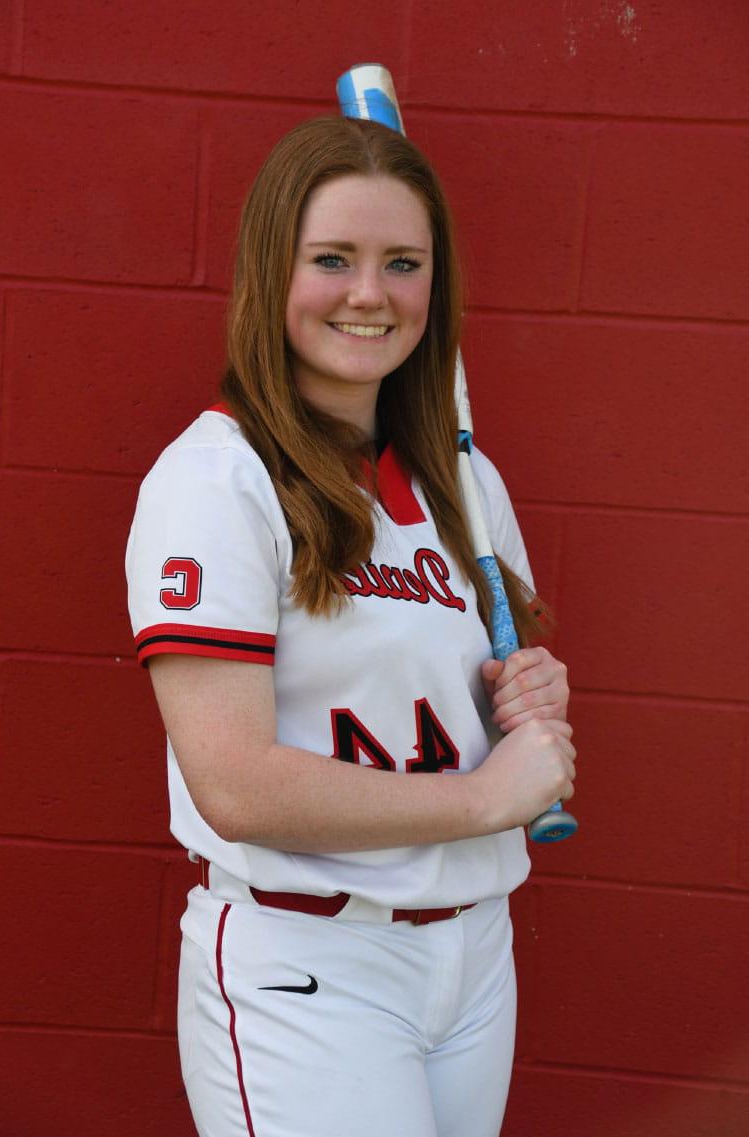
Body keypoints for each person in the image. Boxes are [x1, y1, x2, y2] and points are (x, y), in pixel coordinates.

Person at [126, 115, 576, 1137]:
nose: (369, 293)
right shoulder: (215, 481)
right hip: (311, 967)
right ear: (269, 271)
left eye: (401, 263)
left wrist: (528, 699)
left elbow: (483, 686)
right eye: (332, 259)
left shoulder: (460, 479)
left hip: (471, 957)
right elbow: (233, 784)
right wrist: (479, 800)